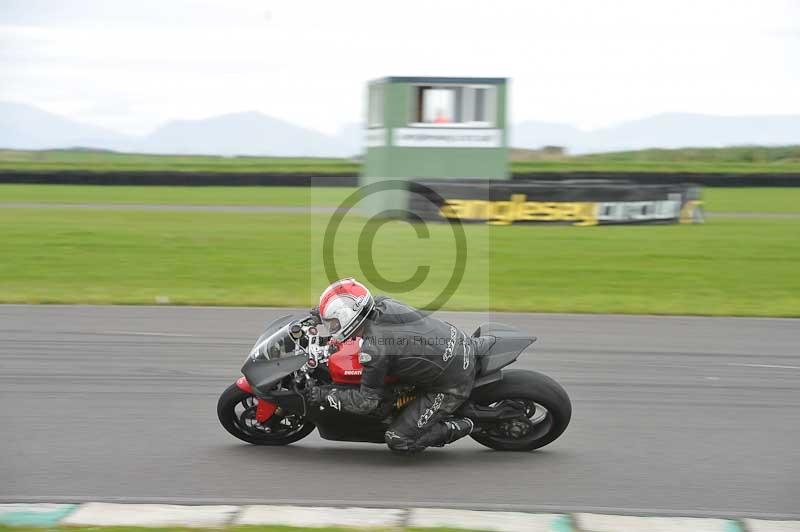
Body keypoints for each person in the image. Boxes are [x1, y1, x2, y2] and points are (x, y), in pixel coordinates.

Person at [305, 277, 477, 454]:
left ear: (348, 318)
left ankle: (466, 425)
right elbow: (352, 304)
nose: (331, 326)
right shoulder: (382, 303)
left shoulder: (374, 350)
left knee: (399, 440)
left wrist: (325, 394)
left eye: (333, 322)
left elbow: (367, 402)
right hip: (458, 341)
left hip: (452, 381)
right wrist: (321, 313)